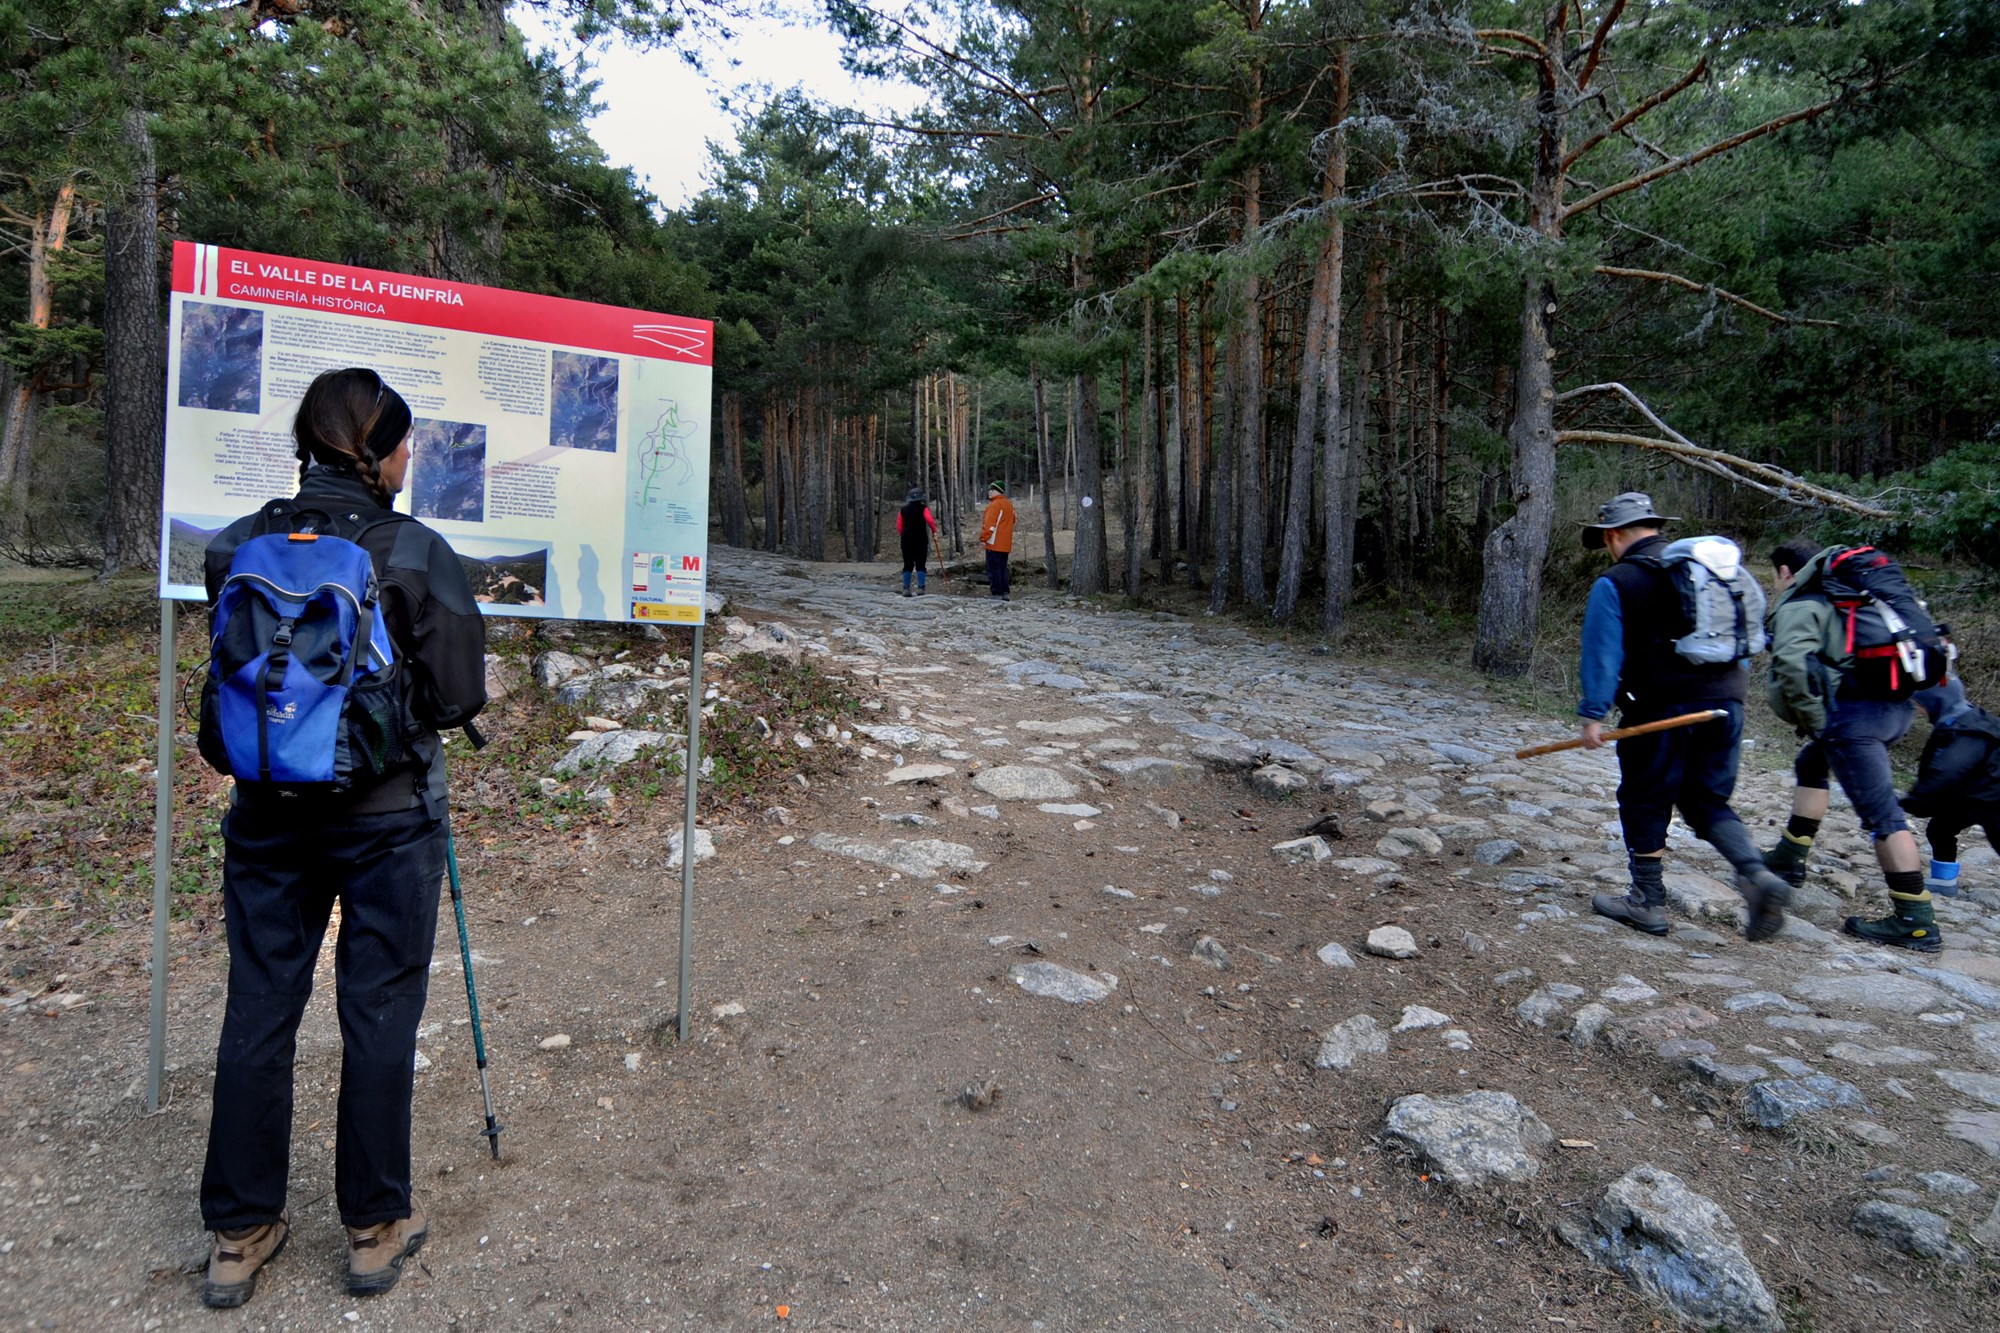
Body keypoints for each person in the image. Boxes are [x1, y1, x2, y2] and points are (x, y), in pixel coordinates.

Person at [197, 368, 487, 1307]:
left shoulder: (243, 542)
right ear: (375, 451)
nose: (410, 459)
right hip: (386, 820)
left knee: (259, 1006)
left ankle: (239, 1233)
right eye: (402, 443)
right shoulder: (414, 549)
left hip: (267, 817)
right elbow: (457, 696)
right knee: (378, 1011)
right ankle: (372, 1227)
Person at [1575, 492, 1791, 940]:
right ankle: (1756, 873)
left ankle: (1647, 901)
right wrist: (1729, 697)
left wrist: (1593, 714)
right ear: (1655, 528)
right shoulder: (1709, 574)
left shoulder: (1617, 581)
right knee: (1706, 801)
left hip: (1659, 710)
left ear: (1614, 535)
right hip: (1726, 705)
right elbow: (1743, 640)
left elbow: (1603, 653)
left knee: (1644, 796)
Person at [1764, 538, 1941, 950]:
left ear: (1785, 572)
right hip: (1893, 709)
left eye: (1774, 576)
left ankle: (1915, 920)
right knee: (1812, 763)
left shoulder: (1803, 603)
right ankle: (1790, 857)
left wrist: (1819, 721)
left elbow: (1792, 665)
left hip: (1854, 721)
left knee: (1883, 817)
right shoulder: (1857, 596)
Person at [1903, 678, 2000, 900]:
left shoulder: (1966, 730)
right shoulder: (1962, 719)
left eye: (1919, 705)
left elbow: (1947, 771)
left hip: (1992, 798)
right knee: (1940, 829)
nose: (1918, 711)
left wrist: (1913, 801)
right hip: (1972, 795)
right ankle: (1943, 882)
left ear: (1936, 702)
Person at [896, 486, 938, 597]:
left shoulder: (903, 510)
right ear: (921, 498)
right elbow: (930, 520)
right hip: (920, 538)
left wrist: (903, 534)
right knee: (920, 563)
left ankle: (906, 588)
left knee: (907, 564)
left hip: (906, 539)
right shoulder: (923, 509)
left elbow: (899, 526)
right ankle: (920, 588)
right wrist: (934, 531)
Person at [979, 480, 1016, 600]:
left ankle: (996, 593)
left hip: (994, 543)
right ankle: (1005, 591)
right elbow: (1013, 520)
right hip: (1005, 543)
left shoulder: (994, 505)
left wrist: (984, 538)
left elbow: (989, 524)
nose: (989, 492)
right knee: (1002, 567)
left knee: (993, 568)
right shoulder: (1009, 504)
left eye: (992, 490)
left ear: (999, 491)